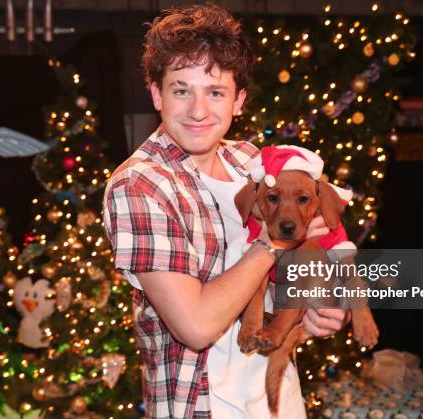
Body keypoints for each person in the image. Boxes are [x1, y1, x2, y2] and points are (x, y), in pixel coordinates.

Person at [103, 5, 348, 418]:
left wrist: (314, 312)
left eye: (215, 92)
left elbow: (285, 279)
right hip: (203, 404)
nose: (199, 111)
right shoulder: (141, 185)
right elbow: (195, 326)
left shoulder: (251, 163)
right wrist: (272, 241)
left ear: (238, 101)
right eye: (181, 90)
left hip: (277, 396)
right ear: (156, 94)